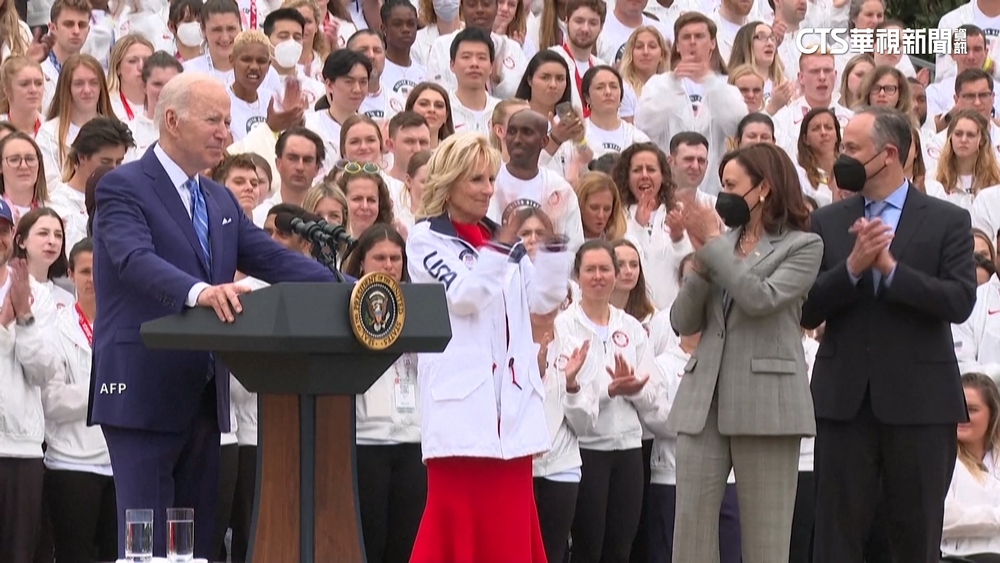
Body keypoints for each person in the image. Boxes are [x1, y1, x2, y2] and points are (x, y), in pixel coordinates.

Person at [89, 71, 337, 560]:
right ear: (173, 120)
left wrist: (353, 291)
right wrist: (199, 292)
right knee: (144, 541)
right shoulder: (123, 187)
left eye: (227, 120)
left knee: (190, 542)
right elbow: (133, 260)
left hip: (202, 395)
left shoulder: (219, 199)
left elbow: (273, 260)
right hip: (141, 388)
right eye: (214, 120)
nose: (225, 131)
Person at [802, 107, 977, 563]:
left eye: (852, 149)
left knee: (914, 539)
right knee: (836, 539)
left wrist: (892, 271)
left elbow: (959, 301)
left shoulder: (946, 221)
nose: (843, 157)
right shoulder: (827, 220)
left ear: (889, 154)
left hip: (921, 405)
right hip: (843, 404)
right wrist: (854, 268)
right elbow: (807, 307)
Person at [405, 132, 571, 563]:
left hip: (511, 417)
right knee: (456, 532)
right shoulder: (426, 239)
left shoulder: (503, 242)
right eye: (476, 179)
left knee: (508, 536)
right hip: (462, 415)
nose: (486, 189)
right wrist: (499, 249)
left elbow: (540, 303)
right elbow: (464, 296)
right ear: (449, 180)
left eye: (491, 179)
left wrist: (553, 251)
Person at [669, 142, 822, 561]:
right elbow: (683, 322)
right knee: (691, 538)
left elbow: (759, 299)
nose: (724, 196)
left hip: (767, 403)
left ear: (765, 189)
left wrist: (714, 245)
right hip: (705, 401)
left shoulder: (803, 246)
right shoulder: (720, 244)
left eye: (733, 186)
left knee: (765, 543)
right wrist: (702, 260)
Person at [342, 223, 425, 563]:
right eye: (380, 257)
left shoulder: (419, 306)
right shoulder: (344, 304)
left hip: (413, 439)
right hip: (367, 441)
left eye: (396, 258)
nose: (389, 265)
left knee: (406, 544)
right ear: (361, 262)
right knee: (369, 543)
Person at [41, 238, 118, 563]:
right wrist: (107, 392)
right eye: (85, 271)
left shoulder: (124, 327)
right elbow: (52, 400)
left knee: (120, 556)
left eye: (99, 271)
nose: (92, 279)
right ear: (70, 274)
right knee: (75, 555)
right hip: (70, 463)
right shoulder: (55, 329)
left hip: (118, 464)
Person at [940, 372, 1000, 562]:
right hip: (957, 558)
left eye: (972, 409)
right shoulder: (940, 460)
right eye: (956, 407)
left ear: (992, 415)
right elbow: (941, 517)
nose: (962, 416)